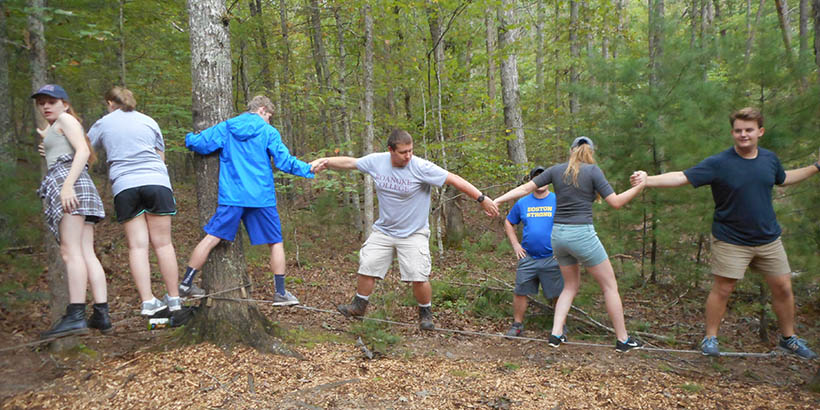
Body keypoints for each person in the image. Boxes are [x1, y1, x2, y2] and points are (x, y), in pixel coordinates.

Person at [630, 107, 818, 359]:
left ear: (760, 132)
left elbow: (783, 178)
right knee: (723, 289)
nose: (743, 135)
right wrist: (647, 180)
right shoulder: (719, 163)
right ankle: (710, 338)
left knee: (783, 287)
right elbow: (683, 177)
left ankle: (788, 338)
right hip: (731, 239)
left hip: (768, 238)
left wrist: (815, 167)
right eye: (738, 130)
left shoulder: (770, 159)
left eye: (749, 130)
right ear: (732, 132)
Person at [315, 129, 498, 330]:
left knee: (418, 276)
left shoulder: (421, 167)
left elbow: (453, 179)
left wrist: (481, 198)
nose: (408, 155)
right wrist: (325, 161)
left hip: (414, 232)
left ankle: (425, 314)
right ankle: (359, 306)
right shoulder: (377, 161)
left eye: (410, 150)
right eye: (403, 152)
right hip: (384, 230)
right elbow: (351, 163)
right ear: (391, 150)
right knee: (367, 266)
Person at [494, 136, 645, 353]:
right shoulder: (593, 171)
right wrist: (641, 186)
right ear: (591, 152)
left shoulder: (557, 170)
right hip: (581, 233)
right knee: (610, 286)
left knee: (570, 286)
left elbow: (524, 189)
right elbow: (617, 202)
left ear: (571, 150)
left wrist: (497, 200)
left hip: (559, 236)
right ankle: (622, 339)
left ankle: (556, 334)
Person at [183, 95, 326, 306]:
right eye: (269, 115)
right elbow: (284, 161)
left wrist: (189, 138)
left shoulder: (228, 127)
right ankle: (280, 293)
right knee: (275, 242)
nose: (269, 120)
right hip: (261, 197)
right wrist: (308, 168)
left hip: (233, 195)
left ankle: (185, 284)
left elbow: (199, 144)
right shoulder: (268, 132)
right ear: (261, 110)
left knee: (212, 237)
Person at [88, 86, 191, 318]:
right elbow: (160, 156)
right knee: (163, 244)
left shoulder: (104, 123)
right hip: (156, 181)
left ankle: (148, 302)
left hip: (125, 185)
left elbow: (84, 149)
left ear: (109, 103)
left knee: (138, 246)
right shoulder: (149, 121)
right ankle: (174, 299)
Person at [33, 84, 110, 339]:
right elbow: (64, 145)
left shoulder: (66, 119)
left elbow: (84, 151)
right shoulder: (58, 126)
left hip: (71, 184)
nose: (45, 106)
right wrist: (47, 141)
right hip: (77, 185)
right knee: (86, 251)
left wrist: (67, 187)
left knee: (70, 252)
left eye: (51, 101)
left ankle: (76, 315)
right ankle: (101, 312)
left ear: (64, 104)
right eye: (41, 102)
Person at [503, 166, 563, 338]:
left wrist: (563, 248)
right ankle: (517, 325)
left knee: (557, 294)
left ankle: (559, 329)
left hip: (552, 257)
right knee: (520, 291)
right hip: (528, 257)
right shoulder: (522, 202)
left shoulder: (557, 200)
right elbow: (508, 222)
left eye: (543, 177)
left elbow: (568, 222)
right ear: (532, 181)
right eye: (537, 178)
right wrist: (515, 245)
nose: (541, 181)